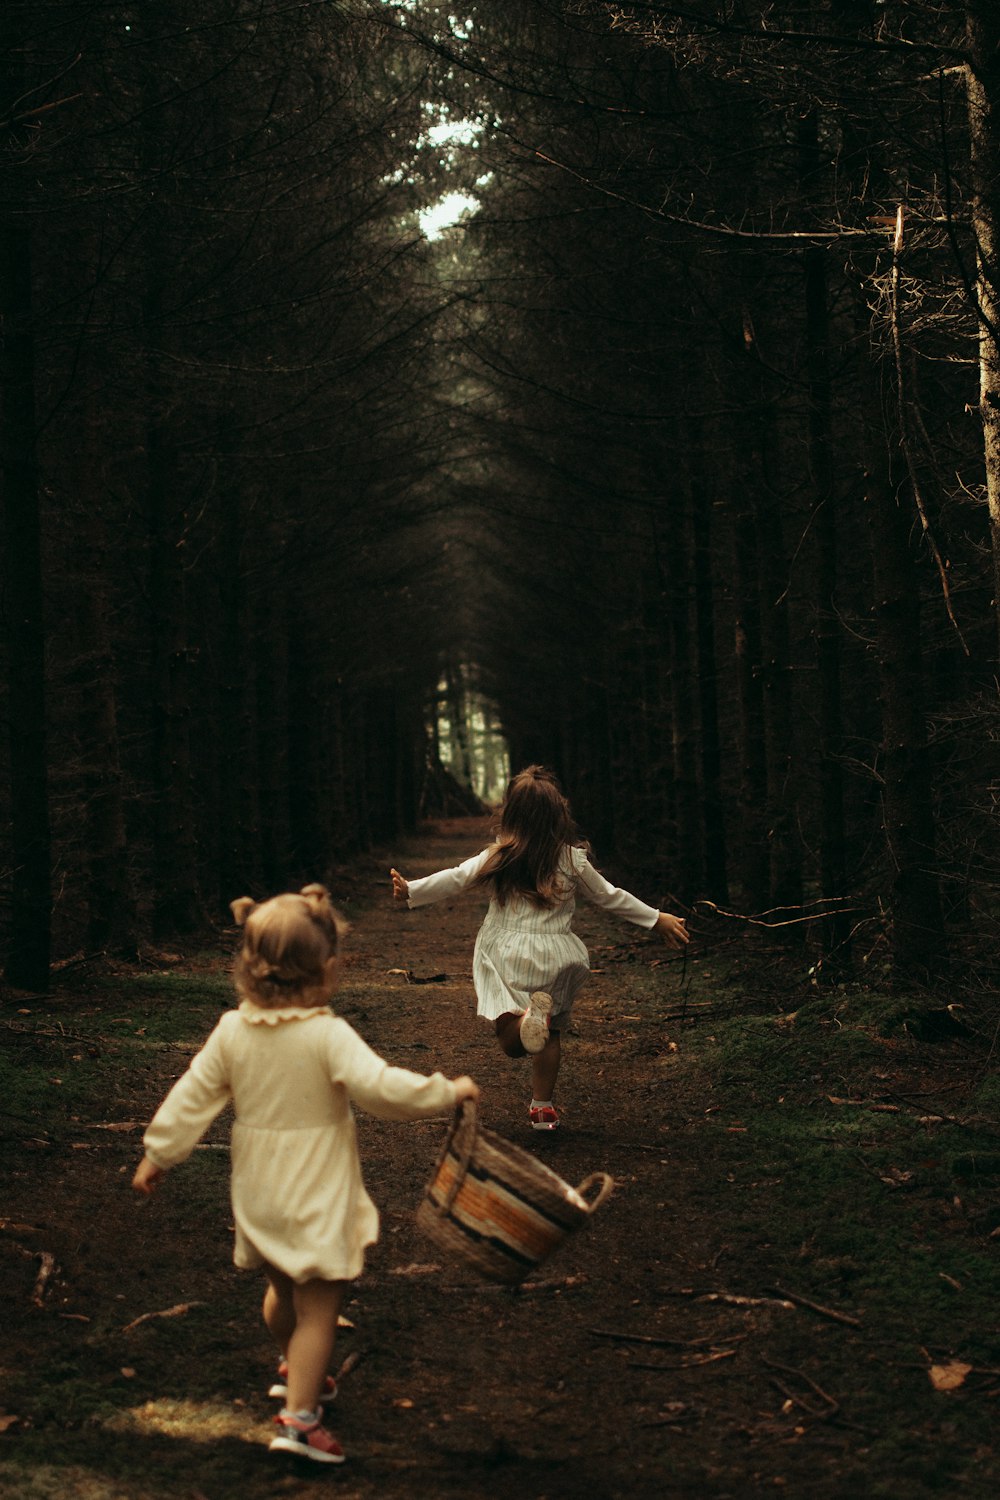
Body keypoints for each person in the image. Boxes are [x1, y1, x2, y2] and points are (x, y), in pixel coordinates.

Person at [131, 883, 478, 1466]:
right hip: (315, 1187)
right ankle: (300, 1421)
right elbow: (382, 1089)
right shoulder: (326, 1034)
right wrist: (446, 1091)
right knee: (321, 1308)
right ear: (328, 970)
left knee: (281, 1290)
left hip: (259, 1191)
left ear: (247, 969)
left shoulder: (231, 1032)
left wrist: (158, 1154)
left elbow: (190, 1096)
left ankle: (296, 1368)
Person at [390, 765, 688, 1133]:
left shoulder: (500, 855)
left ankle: (530, 1017)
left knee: (511, 1040)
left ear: (510, 813)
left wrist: (412, 890)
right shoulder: (572, 860)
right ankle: (543, 1106)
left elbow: (456, 877)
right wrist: (656, 918)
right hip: (555, 957)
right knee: (552, 1032)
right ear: (558, 815)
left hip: (506, 954)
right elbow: (611, 897)